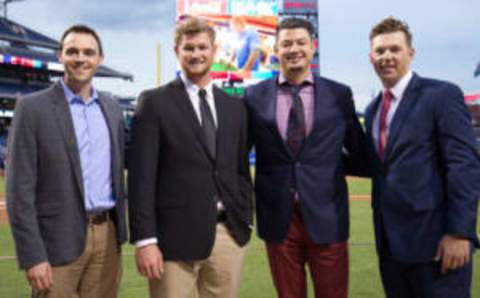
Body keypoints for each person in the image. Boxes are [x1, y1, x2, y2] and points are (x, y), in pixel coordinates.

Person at [128, 17, 253, 298]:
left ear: (214, 51)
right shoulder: (154, 102)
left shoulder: (234, 108)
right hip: (172, 239)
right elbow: (141, 179)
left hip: (227, 235)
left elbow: (240, 171)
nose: (196, 54)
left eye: (202, 47)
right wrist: (145, 240)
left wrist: (245, 218)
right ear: (177, 52)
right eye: (188, 48)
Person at [243, 17, 367, 298]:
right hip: (278, 218)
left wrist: (328, 167)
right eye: (286, 43)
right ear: (276, 49)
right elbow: (238, 155)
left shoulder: (339, 94)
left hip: (327, 215)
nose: (293, 49)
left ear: (313, 47)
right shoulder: (254, 96)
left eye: (300, 42)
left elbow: (359, 151)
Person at [6, 24, 127, 298]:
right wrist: (32, 255)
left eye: (88, 52)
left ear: (100, 59)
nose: (80, 58)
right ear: (60, 56)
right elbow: (19, 190)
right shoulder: (32, 108)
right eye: (72, 51)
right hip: (56, 240)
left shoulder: (112, 108)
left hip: (107, 236)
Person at [364, 17, 480, 298]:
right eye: (380, 51)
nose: (387, 57)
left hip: (438, 245)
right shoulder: (372, 110)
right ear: (371, 57)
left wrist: (460, 232)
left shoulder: (441, 95)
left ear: (410, 53)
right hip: (391, 248)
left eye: (395, 49)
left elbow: (463, 165)